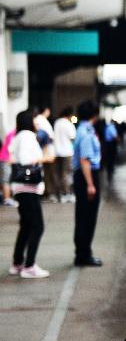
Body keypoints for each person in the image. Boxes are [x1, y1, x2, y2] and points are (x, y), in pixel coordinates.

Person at [8, 110, 52, 278]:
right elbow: (27, 160)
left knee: (26, 225)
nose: (38, 122)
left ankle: (17, 263)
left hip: (20, 186)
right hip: (29, 187)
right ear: (29, 120)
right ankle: (29, 266)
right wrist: (45, 159)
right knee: (37, 226)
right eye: (35, 119)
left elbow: (13, 158)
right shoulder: (27, 136)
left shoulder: (18, 136)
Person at [72, 100, 103, 267]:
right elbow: (85, 160)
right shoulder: (87, 132)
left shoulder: (82, 130)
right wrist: (90, 184)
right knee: (87, 217)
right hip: (87, 176)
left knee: (83, 216)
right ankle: (83, 255)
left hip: (83, 176)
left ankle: (82, 253)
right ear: (94, 114)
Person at [34, 107, 58, 201]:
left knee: (47, 173)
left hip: (45, 150)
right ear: (46, 110)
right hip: (45, 151)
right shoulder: (40, 120)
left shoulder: (41, 120)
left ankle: (47, 193)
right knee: (49, 173)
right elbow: (44, 138)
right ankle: (49, 193)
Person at [53, 107, 77, 203]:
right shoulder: (68, 124)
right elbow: (73, 137)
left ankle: (60, 194)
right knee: (67, 174)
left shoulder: (57, 122)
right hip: (67, 152)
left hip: (57, 152)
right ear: (70, 115)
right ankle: (67, 194)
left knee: (58, 174)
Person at [0, 128, 17, 208]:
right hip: (6, 159)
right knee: (6, 179)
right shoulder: (14, 133)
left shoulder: (14, 132)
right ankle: (7, 199)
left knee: (6, 179)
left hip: (6, 158)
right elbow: (10, 148)